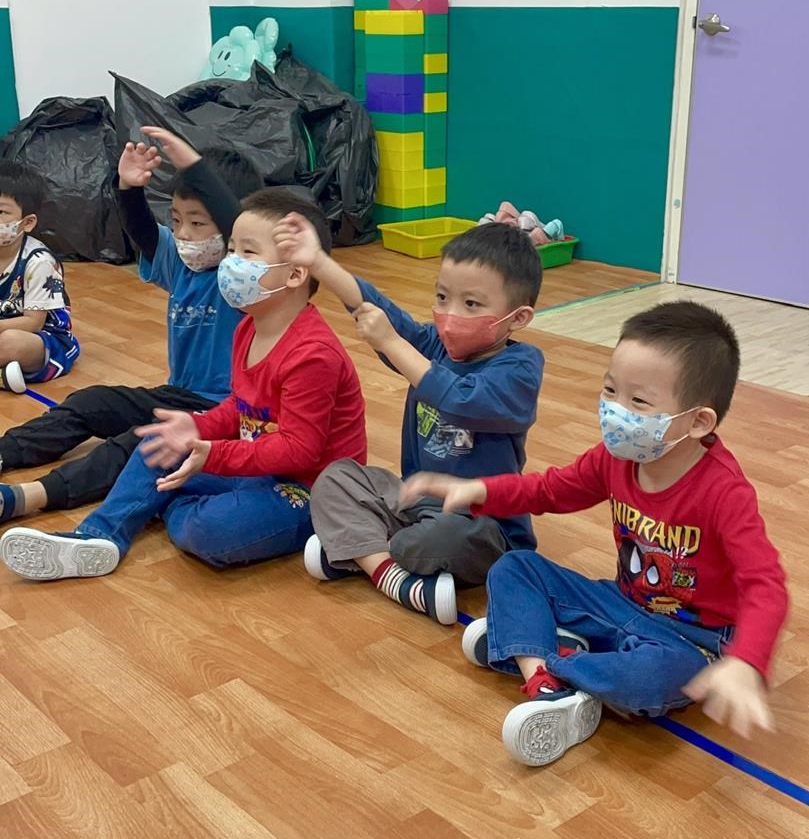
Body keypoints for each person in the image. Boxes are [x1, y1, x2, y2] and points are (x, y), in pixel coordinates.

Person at [400, 300, 789, 766]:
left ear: (698, 421)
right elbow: (550, 490)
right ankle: (549, 680)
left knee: (648, 678)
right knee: (514, 566)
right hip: (621, 604)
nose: (616, 410)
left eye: (638, 402)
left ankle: (539, 655)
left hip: (692, 643)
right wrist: (477, 489)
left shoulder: (724, 491)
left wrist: (745, 662)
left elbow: (766, 585)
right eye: (610, 390)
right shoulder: (615, 458)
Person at [0, 188, 367, 579]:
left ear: (295, 273)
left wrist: (212, 454)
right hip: (258, 469)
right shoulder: (248, 328)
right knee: (156, 447)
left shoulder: (312, 355)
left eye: (247, 253)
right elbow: (240, 406)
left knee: (207, 531)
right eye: (231, 250)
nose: (231, 263)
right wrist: (196, 427)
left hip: (311, 490)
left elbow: (299, 451)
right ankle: (98, 537)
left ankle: (161, 502)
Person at [274, 216, 544, 626]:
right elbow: (381, 311)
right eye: (442, 297)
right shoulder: (436, 345)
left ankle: (363, 553)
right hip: (414, 500)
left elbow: (460, 400)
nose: (449, 314)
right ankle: (391, 573)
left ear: (517, 318)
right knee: (335, 478)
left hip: (483, 522)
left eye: (471, 304)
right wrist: (319, 262)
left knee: (436, 539)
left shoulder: (520, 368)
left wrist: (391, 343)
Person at [0, 127, 262, 526]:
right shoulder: (182, 262)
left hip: (225, 412)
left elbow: (236, 222)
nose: (183, 234)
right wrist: (128, 188)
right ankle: (7, 451)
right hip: (178, 394)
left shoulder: (244, 278)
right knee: (90, 402)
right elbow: (143, 231)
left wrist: (196, 167)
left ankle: (27, 497)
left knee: (138, 443)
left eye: (198, 223)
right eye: (177, 220)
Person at [0, 160, 80, 394]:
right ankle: (4, 376)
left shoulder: (39, 262)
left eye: (1, 212)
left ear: (27, 223)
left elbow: (33, 322)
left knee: (11, 341)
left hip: (42, 337)